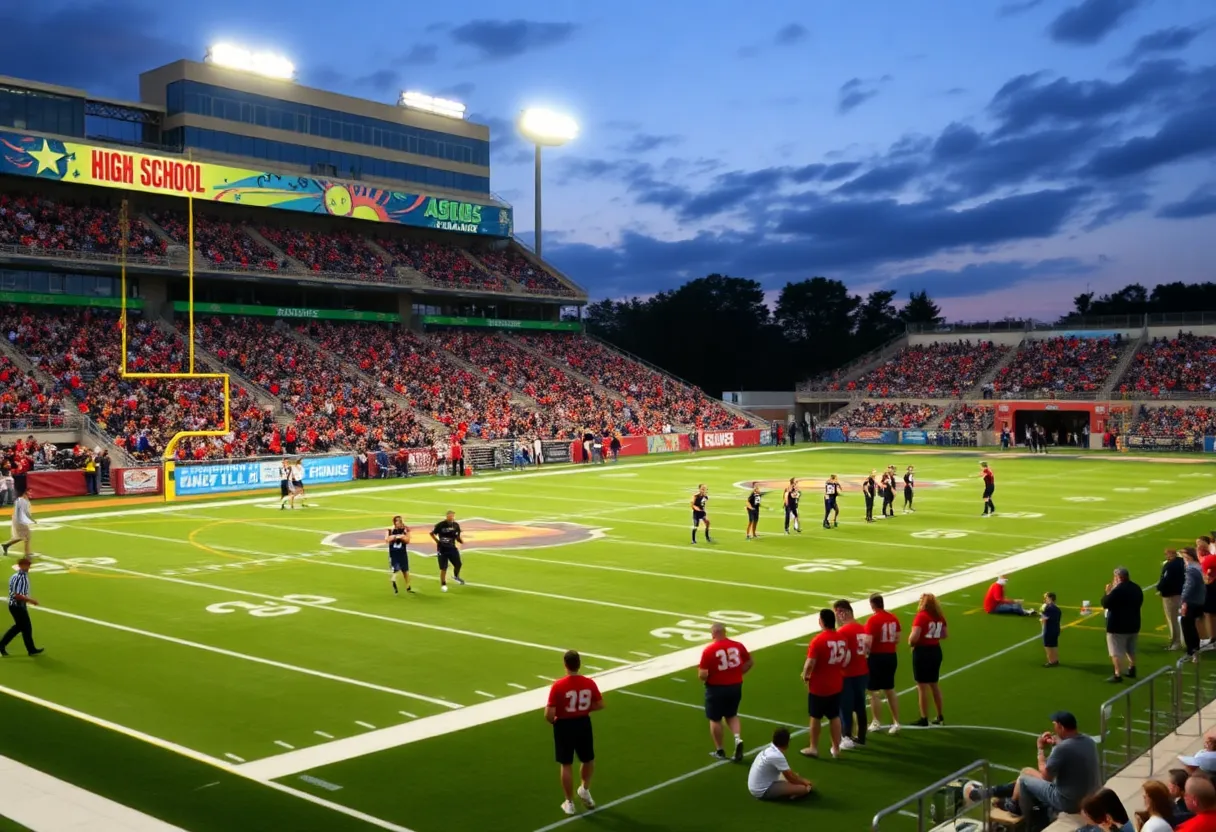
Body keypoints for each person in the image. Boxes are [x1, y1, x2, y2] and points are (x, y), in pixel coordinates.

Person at [969, 711, 1101, 825]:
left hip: (1068, 802)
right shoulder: (1088, 741)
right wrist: (1056, 744)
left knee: (1023, 780)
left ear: (1060, 727)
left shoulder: (1062, 749)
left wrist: (1040, 749)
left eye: (1055, 725)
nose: (1053, 728)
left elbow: (1046, 776)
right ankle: (995, 793)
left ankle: (1020, 812)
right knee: (1026, 771)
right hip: (1089, 795)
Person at [545, 650, 603, 816]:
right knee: (588, 759)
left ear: (565, 664)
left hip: (564, 725)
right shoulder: (589, 683)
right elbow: (599, 704)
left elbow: (549, 714)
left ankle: (569, 802)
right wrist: (583, 709)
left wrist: (555, 720)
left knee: (566, 763)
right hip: (583, 722)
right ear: (579, 664)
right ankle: (584, 789)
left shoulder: (558, 685)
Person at [698, 622, 753, 761]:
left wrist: (706, 677)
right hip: (735, 686)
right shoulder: (738, 646)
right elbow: (749, 662)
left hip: (716, 688)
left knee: (715, 719)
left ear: (713, 633)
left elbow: (702, 674)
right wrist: (738, 673)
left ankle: (720, 750)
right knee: (732, 714)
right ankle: (737, 738)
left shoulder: (709, 650)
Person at [802, 608, 849, 759]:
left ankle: (813, 747)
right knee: (834, 716)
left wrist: (805, 675)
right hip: (836, 682)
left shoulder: (818, 640)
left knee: (815, 716)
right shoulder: (842, 638)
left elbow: (810, 662)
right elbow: (845, 659)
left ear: (822, 621)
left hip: (819, 686)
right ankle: (836, 748)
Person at [833, 599, 869, 750]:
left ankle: (846, 736)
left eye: (837, 613)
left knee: (845, 706)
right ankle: (861, 736)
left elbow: (841, 655)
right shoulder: (862, 628)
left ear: (843, 612)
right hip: (862, 671)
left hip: (847, 673)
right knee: (860, 705)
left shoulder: (843, 631)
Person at [865, 593, 902, 734]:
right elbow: (897, 638)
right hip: (891, 656)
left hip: (876, 657)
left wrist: (865, 655)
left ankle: (876, 721)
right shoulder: (893, 618)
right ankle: (896, 722)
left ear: (872, 605)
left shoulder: (873, 620)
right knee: (890, 689)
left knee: (873, 691)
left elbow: (868, 642)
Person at [909, 593, 947, 726]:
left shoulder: (921, 616)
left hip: (923, 652)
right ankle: (940, 716)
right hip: (935, 650)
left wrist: (911, 643)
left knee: (922, 686)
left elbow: (914, 637)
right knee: (934, 684)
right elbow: (944, 634)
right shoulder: (939, 616)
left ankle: (924, 717)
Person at [747, 727, 813, 801]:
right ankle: (792, 794)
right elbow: (791, 778)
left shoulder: (769, 750)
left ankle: (789, 790)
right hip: (763, 790)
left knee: (794, 776)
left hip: (756, 785)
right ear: (787, 743)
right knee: (803, 789)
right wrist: (805, 782)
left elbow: (790, 774)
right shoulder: (777, 756)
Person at [1102, 566, 1143, 683]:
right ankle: (1132, 668)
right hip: (1134, 624)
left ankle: (1118, 674)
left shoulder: (1117, 591)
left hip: (1117, 626)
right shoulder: (1136, 588)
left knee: (1116, 652)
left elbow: (1105, 603)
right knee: (1130, 649)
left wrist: (1108, 593)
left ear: (1118, 578)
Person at [0, 556, 42, 657]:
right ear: (21, 565)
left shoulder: (15, 576)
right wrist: (31, 600)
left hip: (15, 606)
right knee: (25, 628)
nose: (28, 567)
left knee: (20, 627)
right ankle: (31, 649)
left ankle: (30, 649)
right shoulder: (21, 578)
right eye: (27, 565)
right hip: (17, 606)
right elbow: (17, 595)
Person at [430, 510, 466, 591]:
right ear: (447, 516)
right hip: (442, 549)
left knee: (458, 564)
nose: (451, 517)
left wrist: (461, 541)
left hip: (452, 548)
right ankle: (443, 584)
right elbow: (432, 533)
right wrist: (437, 541)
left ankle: (456, 576)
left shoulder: (456, 525)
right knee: (443, 568)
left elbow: (457, 536)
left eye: (453, 516)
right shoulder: (440, 525)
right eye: (450, 516)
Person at [1159, 547, 1187, 651]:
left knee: (1173, 619)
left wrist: (1159, 588)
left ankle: (1176, 642)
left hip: (1170, 595)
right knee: (1180, 618)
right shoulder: (1182, 562)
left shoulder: (1169, 565)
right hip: (1181, 593)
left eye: (1166, 554)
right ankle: (1182, 640)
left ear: (1171, 554)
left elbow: (1165, 580)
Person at [1183, 549, 1207, 661]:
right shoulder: (1198, 566)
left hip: (1191, 601)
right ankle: (1195, 649)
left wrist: (1183, 601)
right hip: (1199, 600)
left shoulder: (1191, 570)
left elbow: (1189, 586)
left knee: (1187, 626)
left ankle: (1191, 651)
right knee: (1193, 625)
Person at [2, 486, 35, 558]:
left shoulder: (22, 500)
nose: (31, 493)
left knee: (21, 537)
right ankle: (27, 554)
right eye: (29, 492)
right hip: (19, 520)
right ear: (25, 492)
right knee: (27, 537)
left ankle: (6, 545)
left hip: (18, 520)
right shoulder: (22, 501)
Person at [386, 515, 413, 595]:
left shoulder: (404, 529)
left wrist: (400, 537)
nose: (399, 523)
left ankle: (408, 586)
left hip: (401, 552)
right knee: (397, 569)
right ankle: (394, 580)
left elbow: (407, 540)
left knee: (405, 570)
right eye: (398, 521)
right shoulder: (391, 530)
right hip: (394, 553)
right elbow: (387, 539)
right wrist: (398, 536)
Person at [1041, 592, 1061, 667]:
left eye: (1045, 598)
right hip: (1056, 629)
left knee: (1048, 646)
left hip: (1049, 630)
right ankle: (1055, 660)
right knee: (1054, 645)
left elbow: (1044, 619)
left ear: (1050, 598)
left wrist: (1043, 629)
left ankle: (1051, 662)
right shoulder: (1057, 608)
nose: (1044, 599)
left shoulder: (1047, 608)